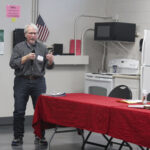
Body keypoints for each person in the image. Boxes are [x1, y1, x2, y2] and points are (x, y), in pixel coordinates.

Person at [9, 23, 54, 146]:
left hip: (38, 81)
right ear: (25, 35)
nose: (33, 35)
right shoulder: (18, 47)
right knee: (19, 111)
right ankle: (18, 137)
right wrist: (25, 58)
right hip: (22, 81)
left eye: (35, 33)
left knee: (40, 110)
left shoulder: (43, 48)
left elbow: (49, 67)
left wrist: (50, 61)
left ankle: (40, 136)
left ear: (38, 34)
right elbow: (12, 64)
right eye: (30, 33)